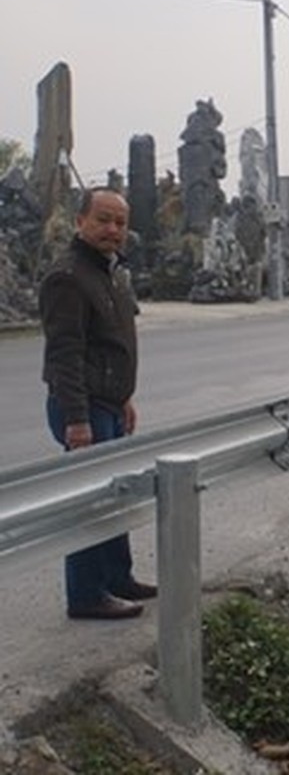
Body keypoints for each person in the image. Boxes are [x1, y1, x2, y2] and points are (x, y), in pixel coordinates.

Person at [39, 187, 156, 620]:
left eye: (120, 223)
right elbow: (65, 354)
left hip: (109, 403)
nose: (113, 230)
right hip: (82, 408)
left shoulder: (108, 273)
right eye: (103, 220)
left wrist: (124, 396)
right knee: (91, 501)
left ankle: (117, 577)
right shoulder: (68, 277)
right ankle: (86, 594)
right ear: (80, 222)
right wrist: (77, 420)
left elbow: (113, 344)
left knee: (116, 495)